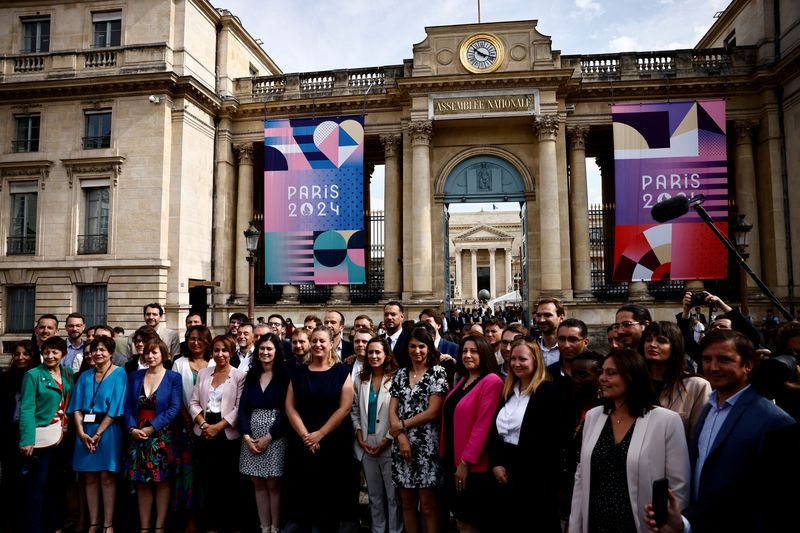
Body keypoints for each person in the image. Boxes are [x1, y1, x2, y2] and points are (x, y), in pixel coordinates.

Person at [644, 330, 797, 533]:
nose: (713, 367)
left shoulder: (775, 422)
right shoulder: (710, 408)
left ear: (748, 365)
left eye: (724, 359)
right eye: (707, 359)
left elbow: (777, 503)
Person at [569, 348, 690, 533]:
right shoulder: (594, 416)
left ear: (632, 376)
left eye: (611, 373)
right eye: (602, 372)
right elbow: (581, 476)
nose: (602, 378)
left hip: (640, 525)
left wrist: (668, 525)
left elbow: (678, 486)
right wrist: (575, 524)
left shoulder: (666, 421)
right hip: (595, 523)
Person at [490, 338, 567, 532]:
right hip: (505, 473)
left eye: (522, 359)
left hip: (535, 478)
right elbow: (496, 432)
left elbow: (553, 440)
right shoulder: (507, 391)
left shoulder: (548, 392)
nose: (516, 363)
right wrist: (496, 462)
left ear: (535, 361)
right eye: (513, 359)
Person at [284, 325, 354, 531]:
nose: (317, 344)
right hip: (303, 440)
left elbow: (345, 407)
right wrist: (307, 436)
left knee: (330, 489)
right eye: (314, 340)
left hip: (333, 440)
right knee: (304, 488)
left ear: (331, 343)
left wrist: (320, 434)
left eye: (322, 341)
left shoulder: (342, 372)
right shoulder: (298, 372)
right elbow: (290, 406)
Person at [389, 326, 449, 533]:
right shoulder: (399, 374)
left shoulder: (437, 373)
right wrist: (401, 437)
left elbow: (433, 411)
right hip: (402, 447)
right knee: (406, 504)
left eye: (421, 346)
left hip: (427, 448)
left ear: (429, 348)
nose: (417, 351)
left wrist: (403, 425)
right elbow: (392, 411)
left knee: (428, 506)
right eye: (412, 346)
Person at [440, 335, 503, 532]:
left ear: (484, 353)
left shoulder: (491, 381)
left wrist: (465, 462)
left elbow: (483, 425)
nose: (467, 355)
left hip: (473, 467)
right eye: (464, 351)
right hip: (453, 460)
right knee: (461, 521)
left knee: (471, 522)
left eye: (474, 351)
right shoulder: (464, 379)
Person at [67, 335, 128, 533]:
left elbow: (116, 407)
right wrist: (82, 433)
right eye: (95, 350)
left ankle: (108, 523)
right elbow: (75, 407)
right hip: (84, 431)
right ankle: (93, 522)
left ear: (111, 353)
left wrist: (99, 433)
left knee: (106, 477)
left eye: (103, 350)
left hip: (108, 430)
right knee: (89, 478)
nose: (98, 353)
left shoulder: (120, 374)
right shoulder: (85, 376)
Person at [123, 339, 182, 532]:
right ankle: (145, 527)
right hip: (137, 436)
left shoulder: (173, 377)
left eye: (155, 352)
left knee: (162, 481)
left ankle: (159, 527)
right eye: (147, 353)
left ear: (163, 354)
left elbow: (174, 408)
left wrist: (152, 428)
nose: (150, 356)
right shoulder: (135, 376)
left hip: (162, 437)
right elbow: (128, 406)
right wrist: (132, 428)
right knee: (142, 482)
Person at [189, 334, 246, 533]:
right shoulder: (204, 373)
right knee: (206, 481)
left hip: (227, 433)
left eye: (224, 350)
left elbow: (239, 408)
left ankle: (229, 524)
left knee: (228, 482)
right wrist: (205, 425)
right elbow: (193, 402)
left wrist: (218, 427)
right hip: (204, 430)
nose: (220, 354)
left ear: (231, 353)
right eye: (216, 350)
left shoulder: (239, 375)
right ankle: (209, 525)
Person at [19, 336, 74, 533]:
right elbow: (26, 408)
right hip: (41, 437)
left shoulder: (68, 374)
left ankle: (54, 526)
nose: (50, 355)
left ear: (63, 354)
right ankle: (34, 527)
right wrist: (26, 440)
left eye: (55, 352)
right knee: (38, 486)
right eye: (47, 352)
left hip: (63, 437)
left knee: (57, 485)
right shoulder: (33, 375)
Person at [238, 334, 289, 533]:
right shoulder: (251, 375)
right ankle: (264, 527)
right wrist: (247, 437)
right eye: (262, 348)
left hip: (275, 435)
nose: (265, 352)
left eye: (269, 349)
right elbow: (243, 408)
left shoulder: (285, 376)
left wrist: (270, 436)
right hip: (251, 435)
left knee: (273, 483)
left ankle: (275, 527)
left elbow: (287, 410)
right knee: (257, 482)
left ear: (276, 352)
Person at [351, 337, 402, 533]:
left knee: (392, 496)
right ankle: (378, 529)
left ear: (386, 354)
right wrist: (359, 436)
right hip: (366, 443)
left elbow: (399, 413)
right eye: (370, 352)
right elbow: (354, 409)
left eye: (377, 352)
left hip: (389, 442)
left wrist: (387, 439)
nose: (373, 356)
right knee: (374, 495)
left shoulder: (397, 378)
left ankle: (395, 530)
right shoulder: (360, 379)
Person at [170, 325, 214, 529]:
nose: (195, 342)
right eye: (191, 338)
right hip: (185, 427)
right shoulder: (179, 363)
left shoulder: (215, 361)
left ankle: (208, 519)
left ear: (207, 342)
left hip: (212, 428)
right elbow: (175, 395)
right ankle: (190, 520)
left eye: (200, 339)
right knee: (187, 475)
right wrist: (188, 420)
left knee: (208, 474)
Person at [640, 321, 711, 440]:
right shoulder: (632, 382)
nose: (652, 344)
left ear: (675, 346)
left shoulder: (697, 386)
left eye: (661, 341)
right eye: (648, 339)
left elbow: (699, 438)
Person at [0, 340, 39, 531]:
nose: (21, 358)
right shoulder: (5, 378)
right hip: (9, 434)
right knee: (9, 479)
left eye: (25, 354)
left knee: (30, 481)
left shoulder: (39, 377)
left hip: (33, 435)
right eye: (17, 354)